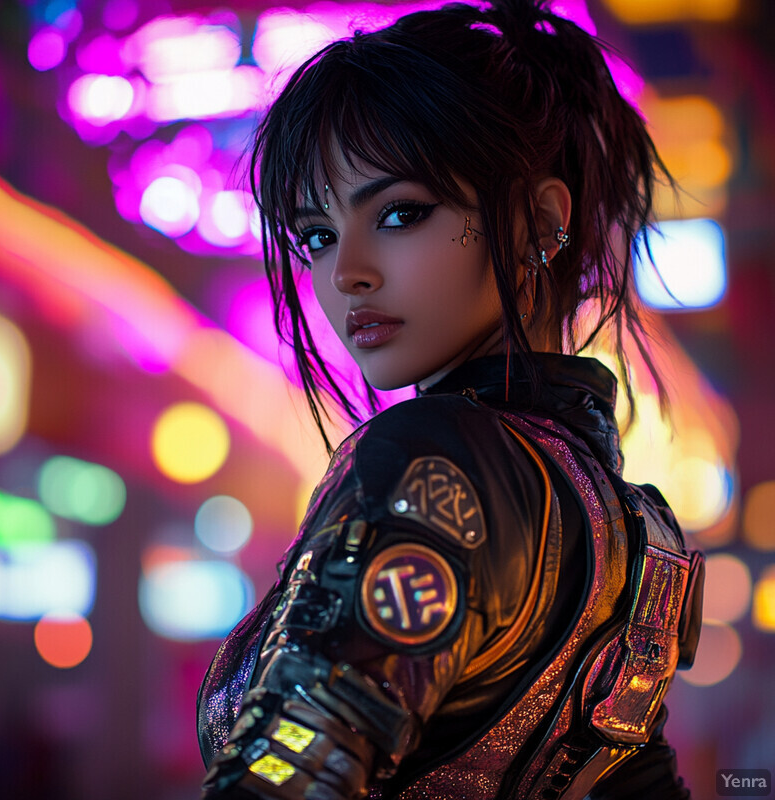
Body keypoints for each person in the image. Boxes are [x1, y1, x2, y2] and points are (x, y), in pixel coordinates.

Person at [196, 0, 705, 797]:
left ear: (539, 220)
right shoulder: (638, 523)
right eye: (318, 235)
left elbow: (289, 774)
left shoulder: (431, 455)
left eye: (400, 213)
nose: (345, 274)